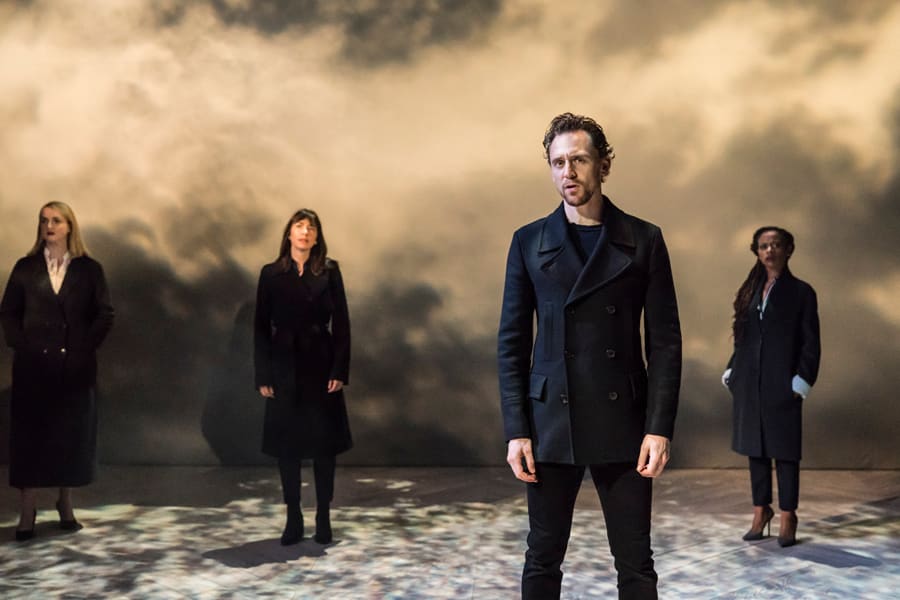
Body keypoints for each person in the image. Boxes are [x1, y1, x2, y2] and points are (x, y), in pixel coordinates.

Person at [498, 113, 682, 599]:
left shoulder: (644, 239)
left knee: (636, 563)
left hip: (623, 422)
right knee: (542, 556)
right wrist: (517, 429)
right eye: (558, 162)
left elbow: (664, 341)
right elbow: (511, 343)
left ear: (604, 164)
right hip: (549, 422)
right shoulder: (529, 241)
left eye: (579, 159)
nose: (568, 172)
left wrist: (658, 426)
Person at [0, 201, 114, 541]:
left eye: (56, 220)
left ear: (69, 227)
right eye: (44, 220)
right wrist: (23, 346)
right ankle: (27, 508)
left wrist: (82, 349)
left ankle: (65, 502)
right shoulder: (25, 267)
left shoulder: (89, 269)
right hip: (33, 367)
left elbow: (105, 314)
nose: (49, 226)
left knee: (70, 437)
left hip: (74, 368)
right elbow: (8, 313)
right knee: (30, 438)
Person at [253, 208, 352, 545]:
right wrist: (263, 373)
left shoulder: (329, 271)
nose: (305, 232)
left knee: (324, 447)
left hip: (320, 363)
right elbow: (261, 327)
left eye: (311, 227)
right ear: (289, 233)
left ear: (317, 236)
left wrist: (339, 369)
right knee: (288, 448)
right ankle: (293, 517)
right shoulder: (271, 273)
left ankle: (323, 516)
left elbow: (342, 324)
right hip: (283, 366)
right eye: (300, 226)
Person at [722, 226, 820, 547]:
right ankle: (760, 510)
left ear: (788, 250)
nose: (770, 251)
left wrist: (801, 380)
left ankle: (789, 515)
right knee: (756, 449)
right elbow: (744, 337)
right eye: (764, 246)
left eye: (776, 245)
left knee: (785, 451)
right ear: (757, 251)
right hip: (750, 381)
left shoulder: (802, 292)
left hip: (783, 382)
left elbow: (810, 343)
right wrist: (733, 370)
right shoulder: (751, 289)